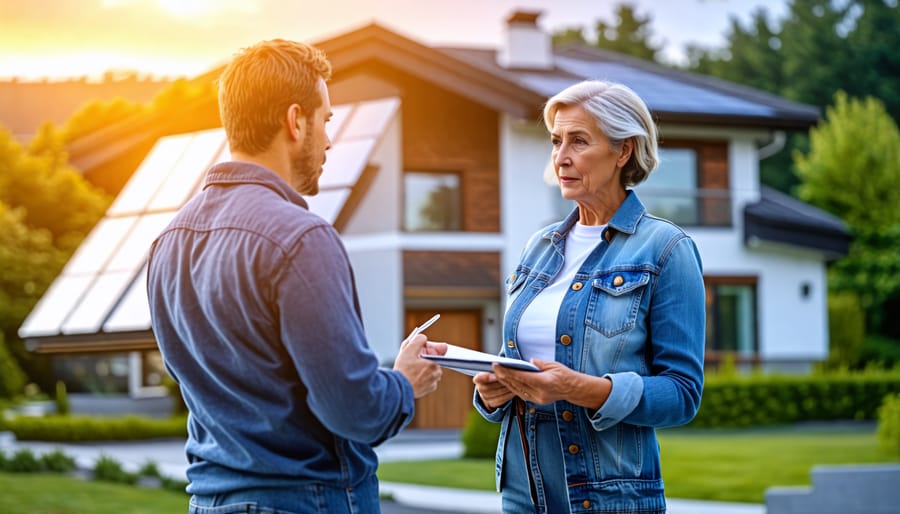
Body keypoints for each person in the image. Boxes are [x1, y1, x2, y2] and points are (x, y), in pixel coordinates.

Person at [147, 39, 446, 514]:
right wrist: (405, 383)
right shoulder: (302, 238)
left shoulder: (167, 243)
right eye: (326, 120)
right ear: (295, 120)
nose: (329, 140)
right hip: (306, 501)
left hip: (209, 502)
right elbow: (353, 410)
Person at [473, 80, 706, 514]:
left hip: (608, 496)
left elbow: (682, 393)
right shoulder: (538, 247)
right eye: (556, 141)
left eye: (579, 141)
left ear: (624, 151)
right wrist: (493, 393)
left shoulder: (666, 249)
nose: (561, 157)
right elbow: (516, 358)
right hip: (523, 492)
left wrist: (581, 390)